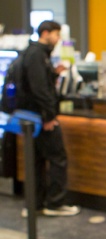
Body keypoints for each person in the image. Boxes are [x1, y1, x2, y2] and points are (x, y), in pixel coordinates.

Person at [17, 20, 79, 217]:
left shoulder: (35, 53)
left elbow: (39, 83)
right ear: (45, 33)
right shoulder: (37, 55)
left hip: (32, 117)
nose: (58, 39)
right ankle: (55, 203)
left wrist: (53, 74)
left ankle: (34, 205)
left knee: (36, 160)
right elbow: (39, 89)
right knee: (57, 158)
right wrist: (49, 116)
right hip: (41, 117)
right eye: (56, 34)